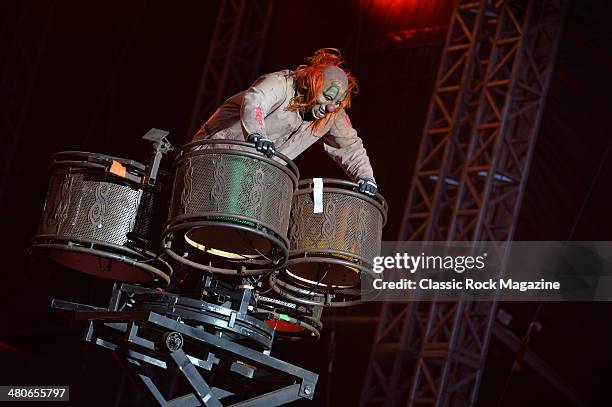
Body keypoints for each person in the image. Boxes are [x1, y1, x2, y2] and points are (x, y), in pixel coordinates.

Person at [192, 48, 377, 196]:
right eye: (327, 97)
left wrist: (366, 177)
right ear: (313, 84)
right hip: (211, 159)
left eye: (336, 103)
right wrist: (256, 134)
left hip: (249, 179)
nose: (330, 108)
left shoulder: (331, 114)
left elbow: (350, 146)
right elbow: (255, 101)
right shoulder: (282, 83)